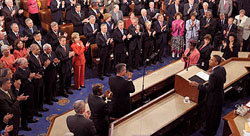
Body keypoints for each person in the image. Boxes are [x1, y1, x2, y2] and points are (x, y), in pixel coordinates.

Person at [190, 55, 226, 136]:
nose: (210, 61)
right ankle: (212, 131)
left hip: (213, 99)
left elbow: (209, 89)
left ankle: (209, 132)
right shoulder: (222, 69)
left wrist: (197, 85)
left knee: (211, 117)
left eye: (212, 60)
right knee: (216, 116)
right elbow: (223, 80)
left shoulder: (213, 74)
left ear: (216, 62)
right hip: (220, 96)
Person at [14, 57, 37, 130]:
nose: (28, 63)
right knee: (24, 110)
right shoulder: (17, 73)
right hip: (23, 93)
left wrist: (33, 77)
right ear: (21, 64)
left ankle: (30, 118)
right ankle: (24, 125)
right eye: (26, 62)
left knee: (30, 106)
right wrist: (30, 78)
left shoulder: (27, 68)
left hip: (30, 90)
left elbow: (28, 77)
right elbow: (23, 84)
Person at [28, 44, 50, 114]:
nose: (39, 50)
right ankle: (36, 111)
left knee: (41, 93)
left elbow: (42, 63)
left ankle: (41, 107)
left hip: (41, 78)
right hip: (35, 80)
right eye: (37, 50)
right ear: (33, 50)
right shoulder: (30, 59)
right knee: (36, 95)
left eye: (39, 49)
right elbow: (35, 70)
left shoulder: (40, 55)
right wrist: (44, 67)